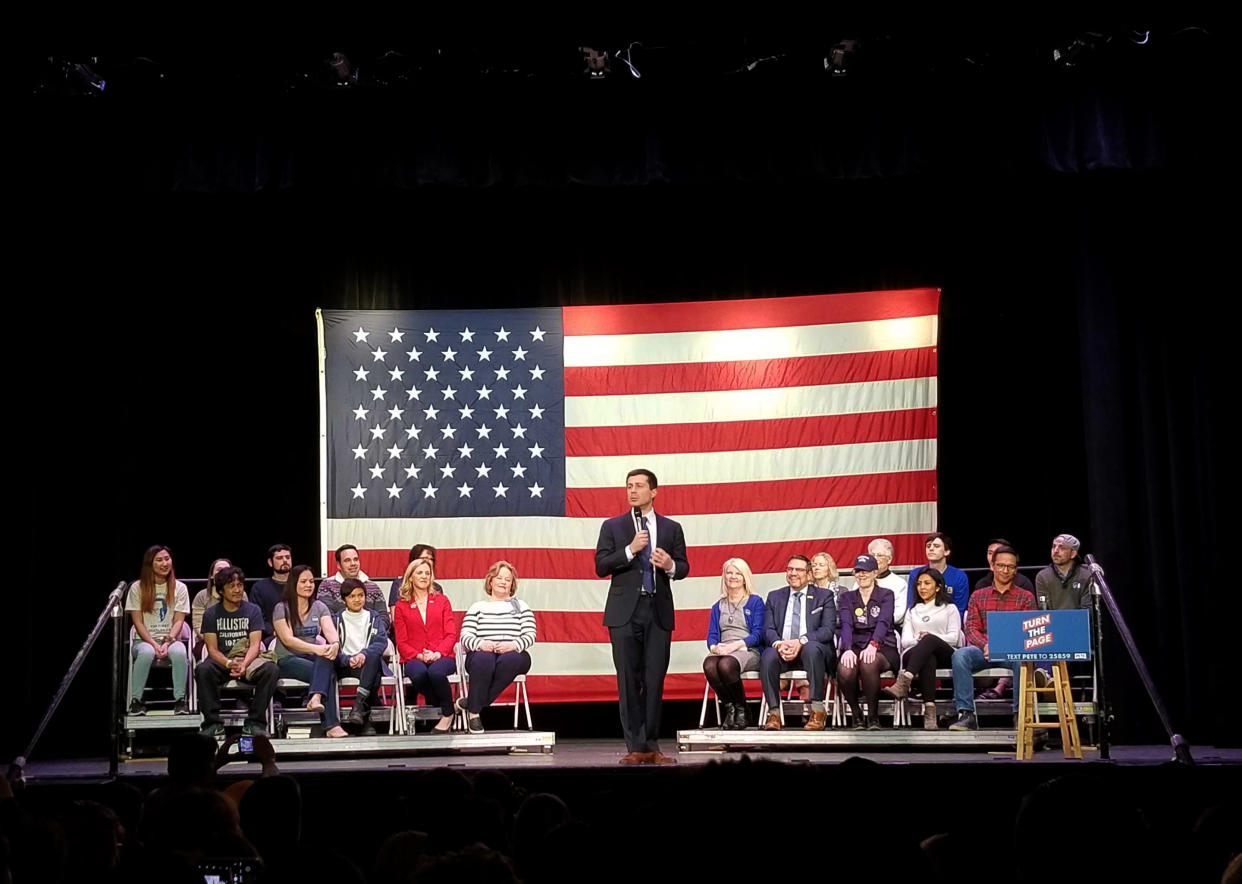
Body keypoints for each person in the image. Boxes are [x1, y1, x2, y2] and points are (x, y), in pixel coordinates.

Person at [595, 468, 690, 765]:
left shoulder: (671, 528)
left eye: (638, 486)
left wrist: (670, 564)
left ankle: (651, 745)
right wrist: (629, 550)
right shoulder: (613, 526)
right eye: (628, 487)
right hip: (625, 613)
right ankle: (634, 746)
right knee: (627, 678)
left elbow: (684, 567)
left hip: (657, 610)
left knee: (653, 679)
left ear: (654, 491)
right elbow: (601, 565)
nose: (632, 491)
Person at [948, 546, 1037, 730]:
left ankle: (1020, 716)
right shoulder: (978, 596)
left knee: (1024, 660)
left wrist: (1002, 645)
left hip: (1012, 652)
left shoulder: (1025, 597)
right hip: (984, 650)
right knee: (960, 655)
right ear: (993, 566)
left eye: (1010, 567)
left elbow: (1028, 631)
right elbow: (971, 628)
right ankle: (966, 714)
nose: (1005, 570)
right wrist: (987, 645)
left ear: (1016, 569)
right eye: (1001, 565)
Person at [196, 566, 278, 737]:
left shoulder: (252, 610)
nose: (237, 590)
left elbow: (256, 645)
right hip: (222, 661)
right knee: (203, 669)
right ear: (221, 590)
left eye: (240, 585)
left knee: (271, 669)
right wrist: (229, 663)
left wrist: (244, 664)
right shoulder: (211, 613)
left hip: (247, 659)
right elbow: (212, 649)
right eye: (231, 586)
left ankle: (255, 722)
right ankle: (213, 723)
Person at [457, 560, 537, 734]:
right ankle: (474, 715)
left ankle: (472, 704)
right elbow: (466, 636)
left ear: (512, 584)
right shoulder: (478, 607)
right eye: (499, 578)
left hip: (513, 652)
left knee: (513, 659)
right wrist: (481, 644)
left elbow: (530, 635)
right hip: (482, 651)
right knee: (483, 660)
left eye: (507, 579)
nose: (503, 582)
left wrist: (513, 645)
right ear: (490, 581)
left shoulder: (522, 606)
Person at [760, 555, 837, 731]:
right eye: (790, 569)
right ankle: (774, 713)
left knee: (811, 648)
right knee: (768, 655)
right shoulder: (774, 596)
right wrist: (779, 644)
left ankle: (817, 711)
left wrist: (800, 642)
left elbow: (827, 630)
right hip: (783, 650)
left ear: (809, 574)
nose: (793, 573)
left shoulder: (824, 596)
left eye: (799, 570)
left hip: (812, 651)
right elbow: (768, 630)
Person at [272, 565, 347, 738]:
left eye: (311, 581)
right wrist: (318, 649)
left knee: (327, 658)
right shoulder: (281, 608)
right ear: (293, 584)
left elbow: (330, 631)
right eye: (303, 581)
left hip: (312, 657)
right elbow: (287, 640)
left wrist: (334, 644)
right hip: (287, 659)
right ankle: (331, 725)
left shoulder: (319, 606)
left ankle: (315, 698)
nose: (309, 585)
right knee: (327, 671)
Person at [888, 568, 962, 729]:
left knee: (929, 641)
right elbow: (906, 641)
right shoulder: (913, 610)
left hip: (946, 653)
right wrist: (921, 640)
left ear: (938, 587)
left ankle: (905, 680)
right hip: (916, 654)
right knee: (928, 657)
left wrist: (930, 637)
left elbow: (954, 638)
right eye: (919, 584)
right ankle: (930, 712)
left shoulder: (950, 608)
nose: (922, 587)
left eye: (927, 583)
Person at [393, 558, 458, 733]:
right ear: (411, 577)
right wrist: (420, 656)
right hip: (415, 656)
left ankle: (448, 714)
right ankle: (447, 704)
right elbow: (401, 641)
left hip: (442, 655)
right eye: (419, 573)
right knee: (419, 674)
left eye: (427, 573)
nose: (424, 576)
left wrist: (437, 653)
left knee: (436, 672)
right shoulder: (401, 606)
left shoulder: (442, 600)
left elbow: (451, 633)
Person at [126, 545, 192, 715]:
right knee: (147, 652)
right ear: (150, 564)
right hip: (144, 640)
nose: (165, 563)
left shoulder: (180, 587)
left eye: (167, 559)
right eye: (159, 560)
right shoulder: (137, 587)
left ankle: (180, 700)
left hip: (170, 639)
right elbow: (138, 622)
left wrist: (168, 640)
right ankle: (136, 700)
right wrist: (154, 644)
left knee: (179, 651)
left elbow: (179, 621)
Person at [836, 554, 900, 729]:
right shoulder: (847, 598)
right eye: (858, 571)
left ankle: (873, 717)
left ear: (875, 573)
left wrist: (874, 644)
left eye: (865, 571)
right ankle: (856, 714)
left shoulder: (886, 595)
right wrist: (847, 648)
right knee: (845, 668)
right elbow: (846, 624)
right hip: (855, 644)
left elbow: (884, 622)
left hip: (883, 646)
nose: (861, 575)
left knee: (868, 662)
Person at [704, 557, 765, 729]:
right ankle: (730, 708)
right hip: (724, 649)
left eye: (738, 573)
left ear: (745, 577)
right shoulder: (718, 606)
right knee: (709, 664)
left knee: (726, 665)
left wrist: (735, 646)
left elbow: (758, 634)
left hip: (748, 649)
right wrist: (715, 647)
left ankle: (742, 709)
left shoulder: (755, 602)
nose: (733, 576)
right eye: (729, 573)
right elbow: (712, 635)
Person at [333, 577, 391, 735]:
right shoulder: (336, 619)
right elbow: (331, 645)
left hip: (367, 663)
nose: (357, 600)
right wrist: (348, 659)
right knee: (374, 676)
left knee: (373, 659)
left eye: (360, 595)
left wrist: (363, 655)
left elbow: (381, 642)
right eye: (352, 596)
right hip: (344, 664)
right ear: (344, 599)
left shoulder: (373, 617)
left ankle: (358, 707)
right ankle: (365, 717)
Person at [318, 543, 389, 628]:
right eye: (347, 560)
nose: (353, 563)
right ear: (338, 565)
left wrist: (372, 634)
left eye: (355, 559)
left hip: (371, 637)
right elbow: (326, 619)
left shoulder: (373, 587)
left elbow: (384, 617)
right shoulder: (326, 586)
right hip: (340, 637)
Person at [905, 532, 970, 618]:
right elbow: (912, 606)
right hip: (921, 622)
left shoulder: (959, 576)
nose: (931, 549)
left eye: (936, 546)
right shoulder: (916, 574)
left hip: (949, 623)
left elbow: (959, 610)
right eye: (928, 546)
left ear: (947, 551)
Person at [191, 558, 247, 651]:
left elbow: (245, 622)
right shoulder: (202, 596)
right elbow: (198, 626)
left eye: (227, 569)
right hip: (206, 640)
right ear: (212, 575)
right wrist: (216, 642)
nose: (224, 573)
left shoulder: (241, 594)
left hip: (236, 640)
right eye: (219, 570)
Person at [1034, 533, 1090, 610]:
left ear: (1073, 554)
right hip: (1053, 621)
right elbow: (1044, 609)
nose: (1056, 551)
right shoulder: (1043, 576)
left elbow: (1087, 610)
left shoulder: (1086, 576)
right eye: (1054, 546)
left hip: (1079, 621)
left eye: (1062, 548)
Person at [249, 544, 293, 641]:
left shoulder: (301, 585)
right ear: (270, 562)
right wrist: (276, 631)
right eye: (279, 558)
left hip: (300, 632)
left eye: (288, 557)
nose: (285, 560)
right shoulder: (259, 588)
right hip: (273, 636)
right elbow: (257, 617)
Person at [869, 538, 909, 625]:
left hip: (888, 628)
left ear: (889, 559)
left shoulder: (899, 583)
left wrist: (876, 622)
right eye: (872, 555)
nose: (875, 558)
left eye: (879, 555)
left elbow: (898, 615)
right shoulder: (862, 579)